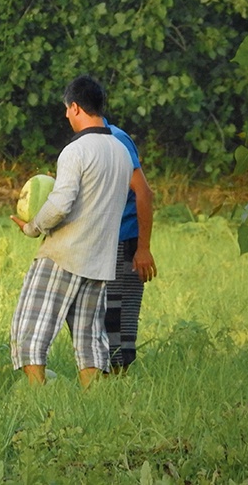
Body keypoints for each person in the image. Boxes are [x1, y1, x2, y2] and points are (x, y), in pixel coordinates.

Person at [9, 76, 133, 388]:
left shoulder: (75, 151)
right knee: (89, 338)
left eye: (67, 109)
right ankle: (93, 400)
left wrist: (32, 227)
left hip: (64, 254)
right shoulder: (120, 151)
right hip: (100, 259)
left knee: (28, 330)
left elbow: (61, 204)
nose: (66, 115)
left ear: (75, 107)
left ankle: (37, 396)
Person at [102, 118, 156, 373]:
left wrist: (142, 248)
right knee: (102, 317)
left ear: (76, 108)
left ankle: (119, 386)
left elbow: (143, 192)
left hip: (125, 241)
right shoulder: (88, 142)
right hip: (102, 243)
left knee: (120, 319)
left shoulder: (116, 139)